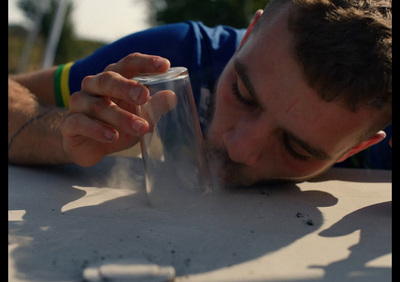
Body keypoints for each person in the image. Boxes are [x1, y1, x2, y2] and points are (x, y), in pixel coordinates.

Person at [8, 0, 392, 186]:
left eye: (298, 149)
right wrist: (61, 133)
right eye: (242, 93)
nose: (240, 147)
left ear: (355, 148)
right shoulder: (172, 59)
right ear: (248, 36)